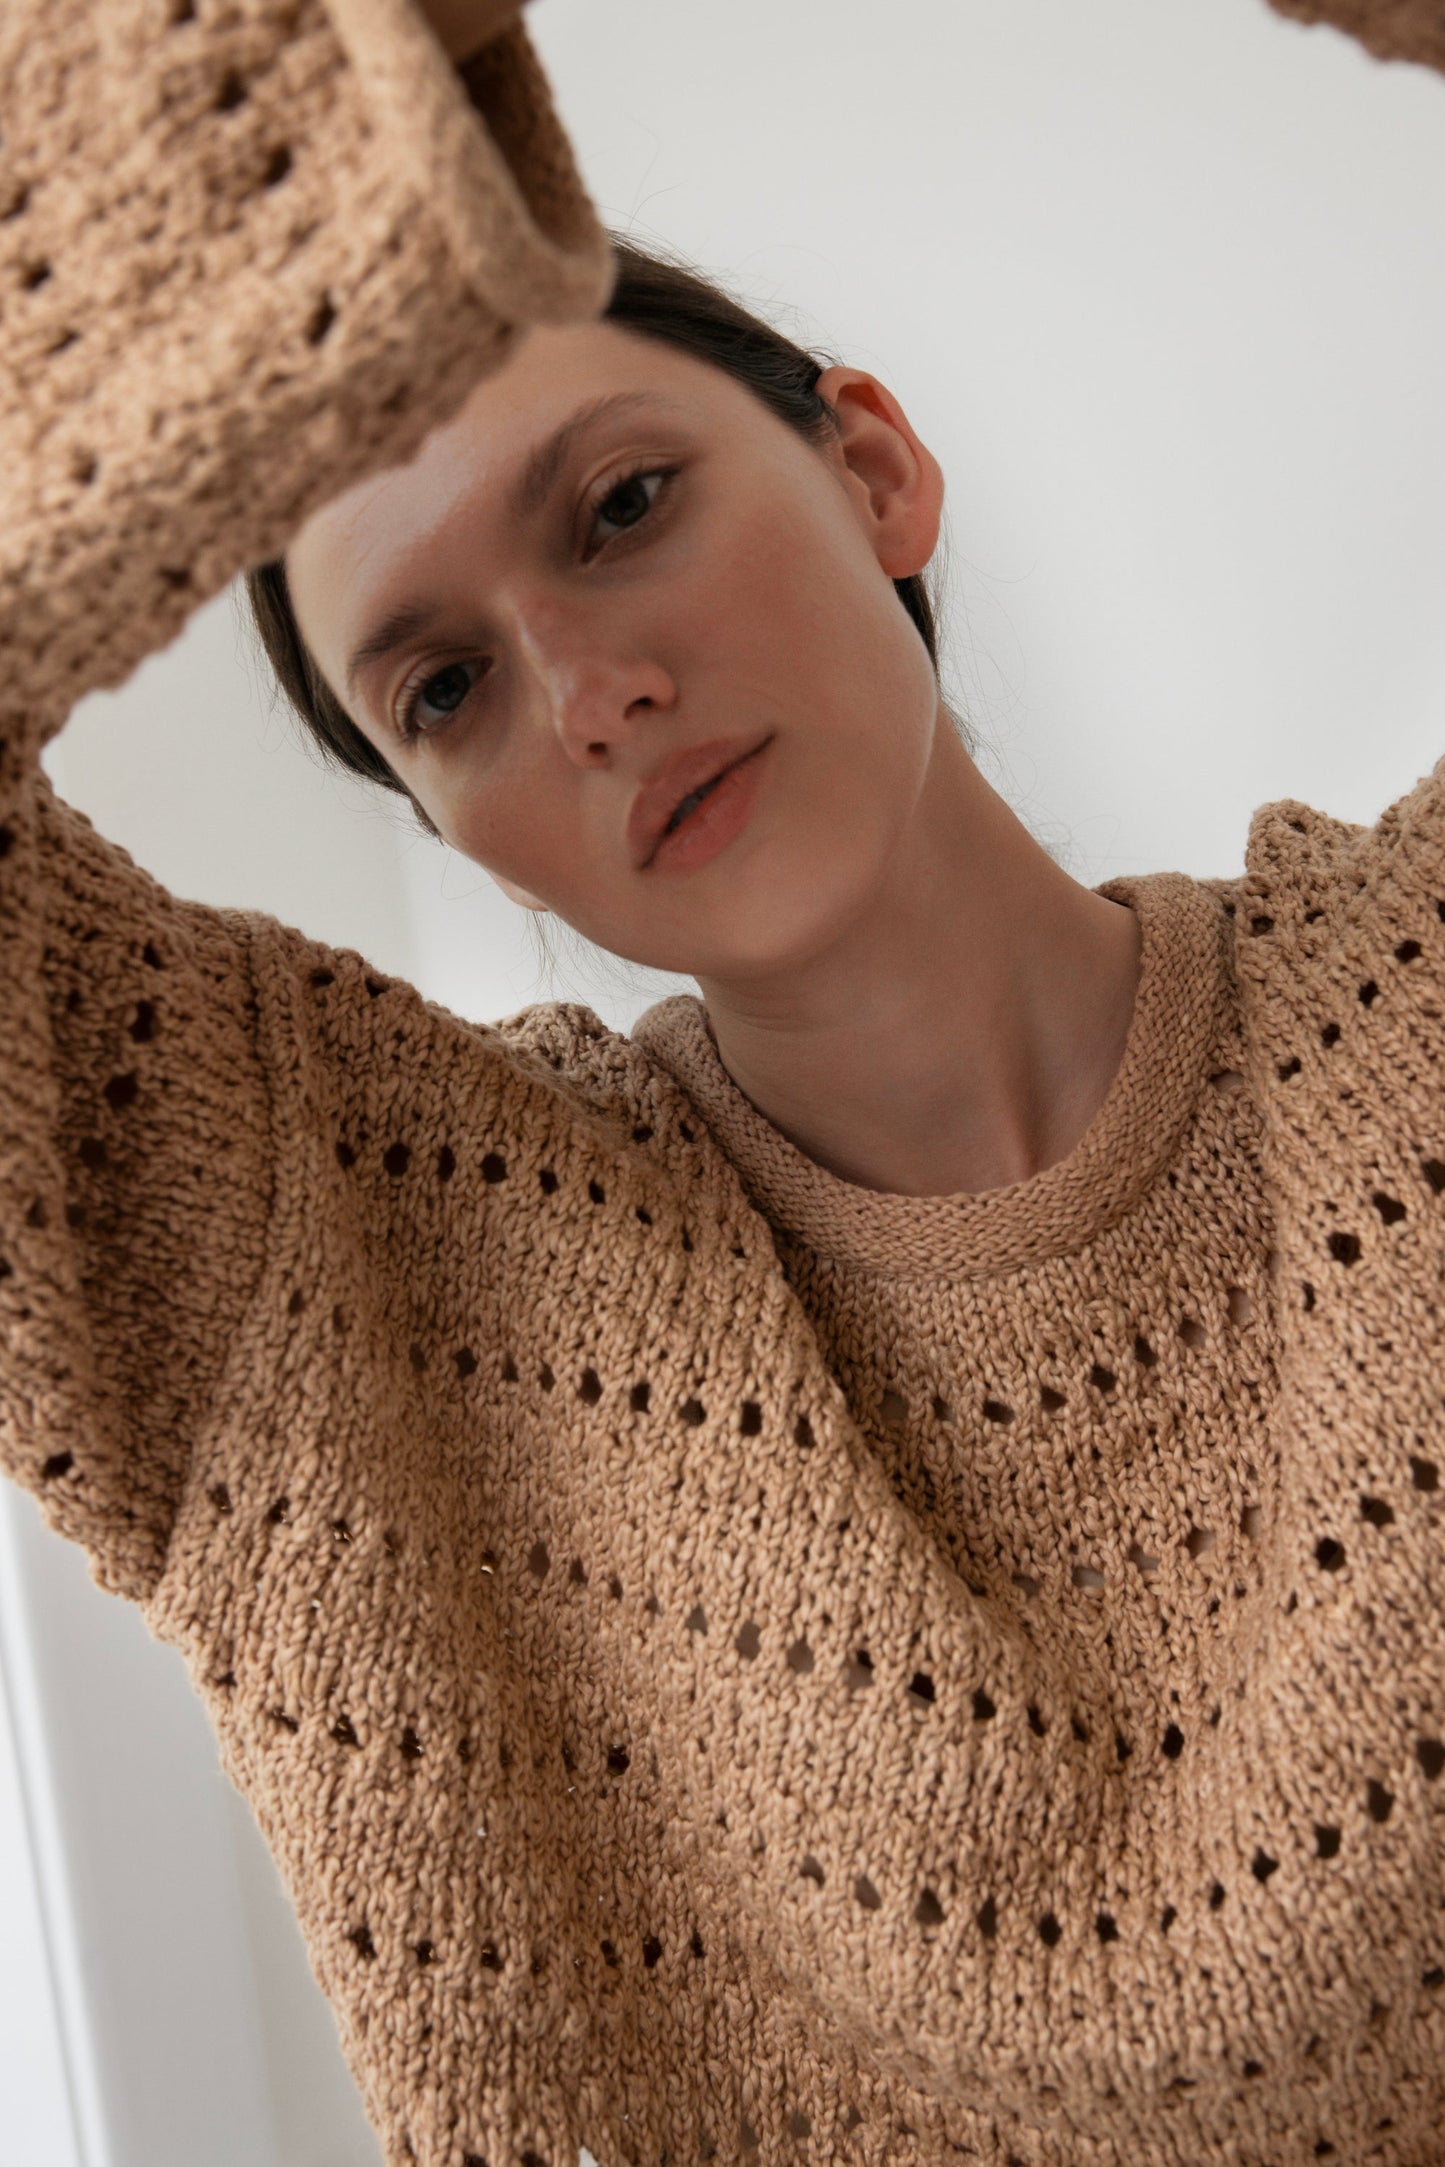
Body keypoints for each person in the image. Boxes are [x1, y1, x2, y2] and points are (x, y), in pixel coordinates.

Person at [1, 4, 1441, 2166]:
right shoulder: (343, 1263)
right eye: (447, 684)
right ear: (439, 809)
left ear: (873, 464)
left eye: (622, 506)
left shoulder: (1412, 998)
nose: (589, 693)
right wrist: (239, 134)